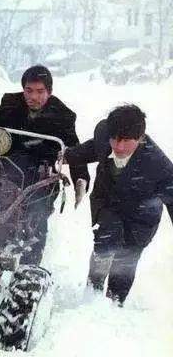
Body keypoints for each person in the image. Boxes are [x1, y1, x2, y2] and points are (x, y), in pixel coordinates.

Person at [0, 65, 90, 265]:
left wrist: (80, 179)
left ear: (49, 92)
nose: (34, 97)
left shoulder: (63, 115)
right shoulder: (11, 104)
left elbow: (73, 149)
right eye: (29, 91)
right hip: (8, 167)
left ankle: (30, 269)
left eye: (40, 92)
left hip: (40, 175)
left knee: (36, 218)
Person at [64, 104, 173, 305]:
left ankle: (114, 305)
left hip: (141, 219)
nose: (119, 146)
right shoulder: (104, 135)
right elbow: (90, 150)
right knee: (105, 241)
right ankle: (91, 296)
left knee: (125, 262)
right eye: (115, 139)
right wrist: (64, 157)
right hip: (107, 204)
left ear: (140, 138)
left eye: (125, 141)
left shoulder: (160, 167)